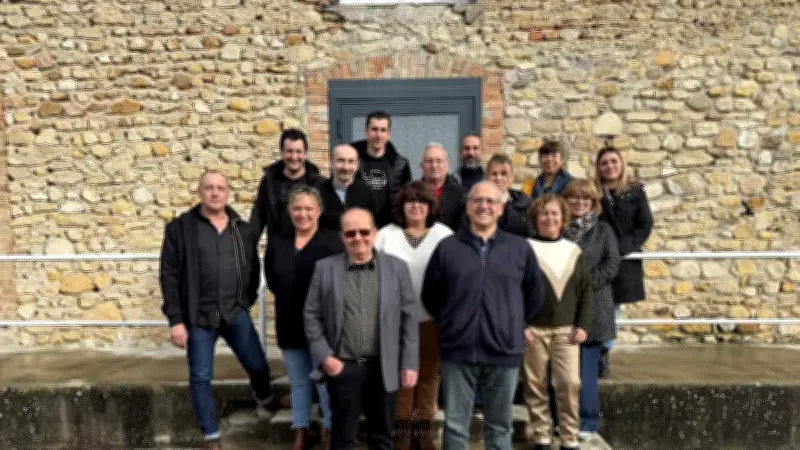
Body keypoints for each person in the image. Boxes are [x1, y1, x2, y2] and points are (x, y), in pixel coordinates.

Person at [422, 181, 543, 450]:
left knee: (499, 427)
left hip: (504, 350)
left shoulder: (519, 248)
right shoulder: (448, 247)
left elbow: (535, 294)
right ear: (468, 207)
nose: (484, 206)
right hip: (458, 350)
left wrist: (513, 323)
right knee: (455, 427)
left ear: (501, 208)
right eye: (477, 200)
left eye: (491, 201)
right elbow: (430, 295)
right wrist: (453, 322)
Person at [159, 171, 276, 450]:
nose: (214, 193)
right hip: (198, 317)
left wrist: (244, 300)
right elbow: (169, 275)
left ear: (228, 192)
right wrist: (176, 321)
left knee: (257, 364)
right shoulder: (180, 228)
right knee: (200, 376)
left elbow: (252, 267)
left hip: (234, 312)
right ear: (200, 191)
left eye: (220, 188)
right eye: (209, 188)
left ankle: (266, 399)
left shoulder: (241, 228)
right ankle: (211, 436)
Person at [304, 208, 419, 450]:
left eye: (364, 232)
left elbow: (409, 318)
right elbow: (311, 316)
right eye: (350, 233)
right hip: (344, 368)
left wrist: (409, 363)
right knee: (342, 439)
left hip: (384, 368)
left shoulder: (397, 268)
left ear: (374, 233)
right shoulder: (325, 268)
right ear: (342, 237)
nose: (358, 238)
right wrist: (325, 357)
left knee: (383, 439)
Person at [375, 181, 454, 450]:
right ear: (402, 205)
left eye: (422, 201)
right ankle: (404, 434)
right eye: (410, 201)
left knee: (429, 377)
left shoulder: (444, 235)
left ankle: (423, 433)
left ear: (431, 206)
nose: (416, 206)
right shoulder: (386, 235)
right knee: (403, 378)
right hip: (395, 322)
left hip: (432, 320)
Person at [265, 185, 344, 450]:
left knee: (324, 381)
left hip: (323, 327)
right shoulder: (278, 244)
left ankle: (330, 428)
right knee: (299, 382)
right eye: (297, 208)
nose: (303, 214)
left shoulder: (333, 243)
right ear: (289, 211)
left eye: (309, 208)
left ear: (319, 211)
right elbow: (274, 281)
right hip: (289, 323)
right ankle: (300, 429)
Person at [523, 194, 592, 450]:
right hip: (533, 331)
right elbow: (513, 291)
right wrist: (521, 325)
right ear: (535, 218)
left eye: (554, 213)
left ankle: (569, 437)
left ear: (563, 218)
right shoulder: (525, 249)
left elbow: (586, 292)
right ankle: (541, 435)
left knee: (569, 384)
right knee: (535, 384)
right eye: (543, 213)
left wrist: (583, 325)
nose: (549, 218)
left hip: (567, 331)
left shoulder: (574, 251)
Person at [561, 179, 622, 441]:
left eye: (585, 198)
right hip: (564, 308)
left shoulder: (603, 230)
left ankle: (587, 422)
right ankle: (562, 420)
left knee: (586, 372)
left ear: (593, 202)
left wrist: (585, 285)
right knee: (563, 373)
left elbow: (612, 263)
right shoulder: (558, 228)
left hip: (595, 308)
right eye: (574, 197)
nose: (579, 202)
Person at [594, 147, 653, 377]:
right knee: (597, 305)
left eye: (613, 161)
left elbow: (645, 224)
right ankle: (593, 349)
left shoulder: (635, 192)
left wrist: (624, 247)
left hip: (623, 259)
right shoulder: (594, 192)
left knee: (613, 307)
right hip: (599, 258)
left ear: (621, 163)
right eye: (604, 163)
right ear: (598, 167)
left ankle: (604, 352)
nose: (609, 166)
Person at [251, 128, 322, 241]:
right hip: (277, 248)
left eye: (298, 151)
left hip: (311, 248)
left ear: (305, 153)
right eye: (289, 151)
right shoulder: (269, 181)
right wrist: (248, 246)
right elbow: (258, 215)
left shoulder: (319, 183)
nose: (294, 157)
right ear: (282, 152)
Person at [351, 111, 412, 228]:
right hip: (359, 226)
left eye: (383, 130)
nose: (378, 135)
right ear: (366, 132)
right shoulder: (351, 161)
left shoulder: (401, 164)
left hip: (391, 227)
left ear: (389, 134)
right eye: (374, 129)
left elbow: (408, 197)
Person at [315, 144, 376, 231]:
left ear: (357, 165)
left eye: (351, 161)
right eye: (340, 161)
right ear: (331, 163)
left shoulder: (366, 193)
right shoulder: (318, 193)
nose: (346, 167)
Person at [419, 142, 466, 231]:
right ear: (422, 166)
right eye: (429, 161)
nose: (434, 165)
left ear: (447, 165)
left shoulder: (462, 195)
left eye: (439, 161)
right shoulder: (412, 194)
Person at [484, 153, 533, 237]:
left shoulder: (525, 202)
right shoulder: (476, 202)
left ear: (511, 178)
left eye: (504, 174)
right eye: (494, 174)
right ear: (486, 177)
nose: (498, 178)